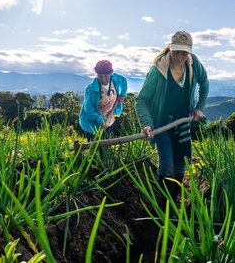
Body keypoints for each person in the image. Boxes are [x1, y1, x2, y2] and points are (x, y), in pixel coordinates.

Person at [135, 30, 209, 210]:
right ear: (170, 49)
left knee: (179, 168)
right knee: (167, 165)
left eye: (184, 52)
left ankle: (172, 205)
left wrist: (199, 107)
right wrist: (147, 124)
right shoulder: (158, 70)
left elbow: (204, 82)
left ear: (189, 52)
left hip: (183, 122)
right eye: (177, 51)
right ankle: (164, 209)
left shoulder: (193, 63)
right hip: (162, 123)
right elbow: (141, 100)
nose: (180, 56)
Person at [80, 60, 127, 141]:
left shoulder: (115, 79)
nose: (103, 79)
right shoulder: (92, 90)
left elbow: (124, 81)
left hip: (108, 118)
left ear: (110, 74)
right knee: (93, 147)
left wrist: (122, 94)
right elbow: (89, 109)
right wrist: (100, 120)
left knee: (105, 147)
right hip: (92, 123)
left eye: (106, 76)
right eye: (100, 76)